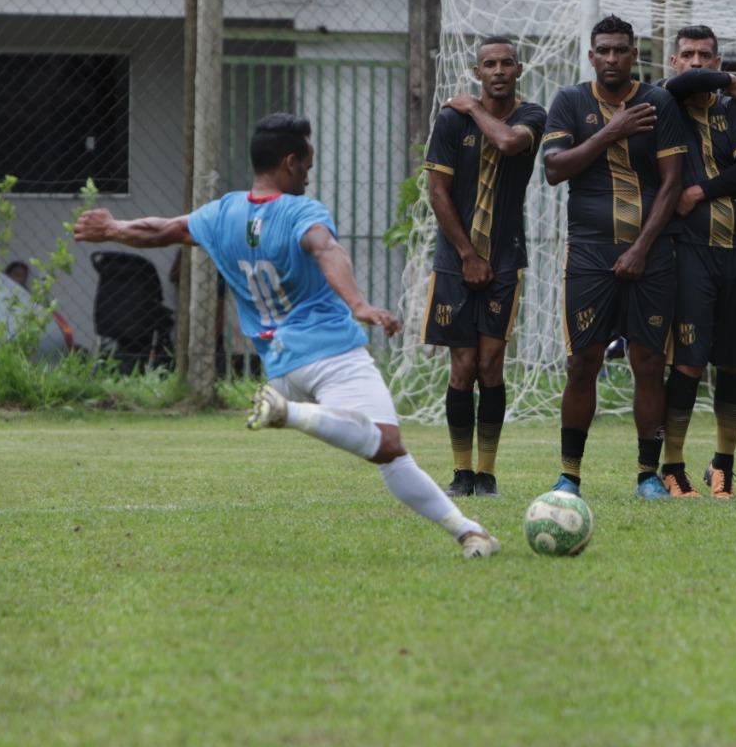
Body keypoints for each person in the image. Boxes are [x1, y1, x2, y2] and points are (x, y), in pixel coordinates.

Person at [73, 113, 496, 558]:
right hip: (330, 353)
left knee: (390, 453)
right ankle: (289, 414)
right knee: (387, 442)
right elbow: (326, 248)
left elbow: (163, 230)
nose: (309, 176)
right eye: (307, 166)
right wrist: (359, 305)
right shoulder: (301, 212)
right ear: (290, 162)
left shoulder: (221, 213)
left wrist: (113, 229)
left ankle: (469, 532)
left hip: (280, 365)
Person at [542, 15, 688, 499]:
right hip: (589, 254)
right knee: (583, 362)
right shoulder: (570, 101)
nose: (611, 58)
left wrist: (641, 248)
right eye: (602, 50)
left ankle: (648, 475)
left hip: (652, 255)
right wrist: (612, 130)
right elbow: (554, 169)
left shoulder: (659, 102)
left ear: (633, 55)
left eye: (620, 50)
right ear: (591, 56)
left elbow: (672, 182)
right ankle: (569, 475)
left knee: (648, 362)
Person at [422, 35, 549, 499]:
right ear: (477, 72)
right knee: (462, 366)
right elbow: (438, 192)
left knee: (491, 365)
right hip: (455, 261)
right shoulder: (450, 121)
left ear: (519, 70)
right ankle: (461, 473)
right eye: (489, 64)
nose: (498, 71)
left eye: (506, 63)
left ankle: (487, 473)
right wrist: (467, 255)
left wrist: (475, 108)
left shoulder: (531, 116)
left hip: (505, 257)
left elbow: (509, 142)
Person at [660, 25, 736, 500]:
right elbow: (686, 84)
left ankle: (723, 464)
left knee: (734, 365)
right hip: (689, 252)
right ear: (673, 62)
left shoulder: (734, 110)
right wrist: (725, 78)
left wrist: (698, 191)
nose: (696, 62)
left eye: (706, 55)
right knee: (687, 364)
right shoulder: (664, 102)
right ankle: (672, 466)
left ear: (718, 58)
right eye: (687, 54)